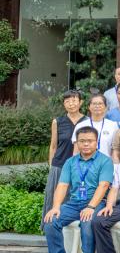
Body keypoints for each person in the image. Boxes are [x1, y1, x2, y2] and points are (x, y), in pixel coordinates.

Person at [40, 127, 114, 253]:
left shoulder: (105, 161)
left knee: (87, 222)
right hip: (74, 203)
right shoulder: (70, 162)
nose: (86, 144)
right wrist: (56, 207)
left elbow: (104, 185)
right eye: (82, 141)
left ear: (96, 142)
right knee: (50, 221)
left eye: (90, 141)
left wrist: (91, 207)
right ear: (77, 143)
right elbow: (62, 185)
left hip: (95, 202)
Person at [44, 90, 86, 230]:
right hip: (59, 165)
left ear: (80, 102)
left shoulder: (87, 121)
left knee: (74, 198)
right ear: (64, 104)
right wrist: (51, 166)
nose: (71, 104)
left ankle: (72, 232)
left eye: (74, 100)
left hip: (80, 167)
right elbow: (53, 146)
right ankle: (51, 228)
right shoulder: (58, 121)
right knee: (55, 198)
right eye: (67, 101)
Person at [73, 94, 118, 158]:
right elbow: (76, 151)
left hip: (106, 162)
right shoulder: (80, 125)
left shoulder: (113, 125)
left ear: (105, 107)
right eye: (94, 103)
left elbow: (115, 149)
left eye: (100, 103)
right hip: (85, 163)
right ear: (89, 107)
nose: (97, 106)